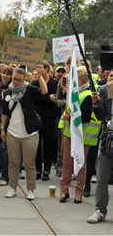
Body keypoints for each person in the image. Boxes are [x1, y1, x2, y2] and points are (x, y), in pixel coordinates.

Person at [1, 67, 48, 201]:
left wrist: (40, 78)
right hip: (12, 132)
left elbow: (44, 92)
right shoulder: (7, 93)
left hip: (29, 133)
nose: (16, 82)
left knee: (29, 163)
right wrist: (3, 129)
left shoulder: (30, 90)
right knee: (13, 162)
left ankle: (31, 189)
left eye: (19, 80)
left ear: (24, 80)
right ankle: (13, 187)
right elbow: (5, 113)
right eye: (14, 78)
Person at [58, 66, 101, 204]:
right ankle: (64, 190)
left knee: (80, 164)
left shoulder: (87, 95)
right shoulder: (73, 94)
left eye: (73, 79)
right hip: (70, 134)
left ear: (80, 81)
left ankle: (78, 193)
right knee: (67, 163)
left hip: (83, 137)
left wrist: (68, 118)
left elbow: (85, 117)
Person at [87, 70, 113, 223]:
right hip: (108, 138)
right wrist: (96, 104)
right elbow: (99, 116)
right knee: (102, 177)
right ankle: (100, 210)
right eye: (111, 76)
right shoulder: (105, 90)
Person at [32, 61, 59, 181]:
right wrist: (48, 98)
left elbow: (56, 98)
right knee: (36, 143)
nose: (37, 69)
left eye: (40, 67)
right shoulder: (34, 82)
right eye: (36, 67)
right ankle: (38, 168)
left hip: (49, 117)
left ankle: (46, 169)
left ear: (47, 69)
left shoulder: (54, 83)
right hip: (37, 116)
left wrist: (47, 98)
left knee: (48, 142)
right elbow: (36, 99)